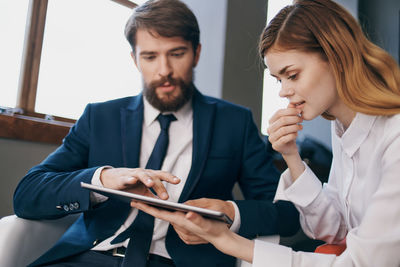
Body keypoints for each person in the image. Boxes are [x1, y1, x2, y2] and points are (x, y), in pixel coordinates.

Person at [13, 0, 299, 266]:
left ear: (196, 53)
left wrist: (229, 212)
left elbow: (286, 214)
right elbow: (27, 194)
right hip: (92, 255)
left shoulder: (234, 122)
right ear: (135, 60)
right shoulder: (99, 117)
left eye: (177, 54)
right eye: (150, 56)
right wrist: (103, 179)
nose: (165, 71)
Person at [131, 0, 400, 266]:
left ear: (336, 56)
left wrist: (229, 241)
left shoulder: (394, 135)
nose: (283, 91)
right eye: (278, 80)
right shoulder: (342, 127)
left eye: (292, 75)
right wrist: (291, 156)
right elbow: (334, 228)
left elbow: (360, 263)